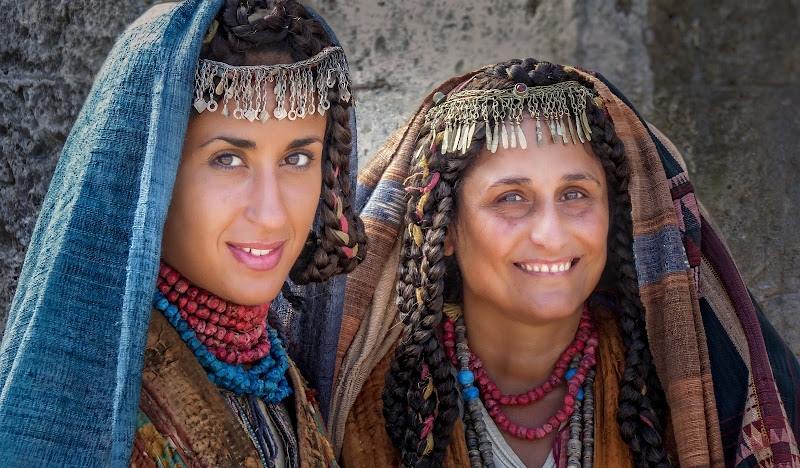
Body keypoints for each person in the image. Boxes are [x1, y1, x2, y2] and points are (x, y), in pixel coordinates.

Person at [330, 58, 800, 467]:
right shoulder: (361, 412)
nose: (551, 234)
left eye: (575, 194)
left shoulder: (677, 398)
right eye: (511, 198)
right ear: (445, 228)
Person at [0, 0, 365, 466]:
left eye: (297, 159)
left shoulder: (277, 370)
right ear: (149, 170)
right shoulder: (91, 407)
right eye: (228, 159)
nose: (273, 215)